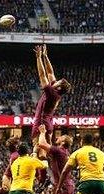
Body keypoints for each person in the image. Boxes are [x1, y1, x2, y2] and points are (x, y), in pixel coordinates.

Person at [32, 44, 71, 185]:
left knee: (37, 151)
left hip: (41, 124)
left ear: (59, 87)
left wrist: (38, 57)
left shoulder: (51, 93)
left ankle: (41, 179)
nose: (55, 80)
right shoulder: (56, 92)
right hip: (47, 124)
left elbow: (42, 75)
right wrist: (45, 56)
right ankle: (42, 178)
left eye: (58, 81)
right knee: (41, 152)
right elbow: (50, 73)